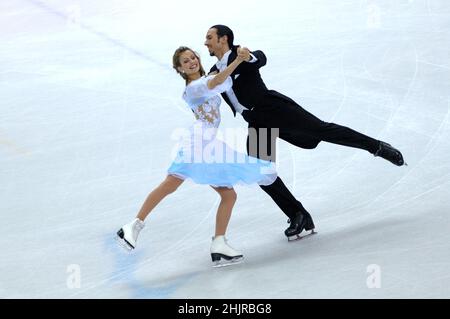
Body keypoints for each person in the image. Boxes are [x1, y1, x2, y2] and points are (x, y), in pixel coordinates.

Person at [204, 25, 406, 241]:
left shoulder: (240, 55)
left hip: (273, 107)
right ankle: (298, 214)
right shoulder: (214, 72)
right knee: (261, 172)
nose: (206, 42)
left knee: (323, 130)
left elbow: (260, 58)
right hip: (255, 120)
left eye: (209, 37)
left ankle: (376, 146)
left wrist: (250, 56)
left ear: (223, 39)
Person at [116, 46, 277, 267]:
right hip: (198, 140)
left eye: (193, 57)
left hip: (211, 143)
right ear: (180, 69)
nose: (192, 61)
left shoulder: (206, 79)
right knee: (171, 183)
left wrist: (242, 59)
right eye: (185, 61)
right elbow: (216, 82)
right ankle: (133, 225)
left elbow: (222, 80)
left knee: (228, 195)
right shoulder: (193, 88)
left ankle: (219, 244)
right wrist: (237, 61)